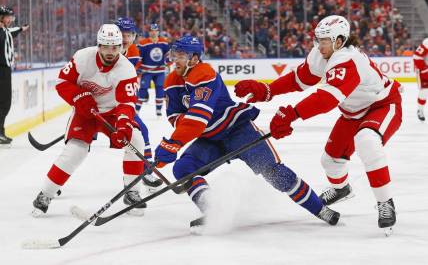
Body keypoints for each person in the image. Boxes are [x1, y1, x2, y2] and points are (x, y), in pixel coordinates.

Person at [154, 35, 340, 233]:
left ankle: (320, 209)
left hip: (238, 131)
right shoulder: (172, 81)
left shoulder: (204, 74)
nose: (175, 59)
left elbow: (198, 120)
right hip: (211, 139)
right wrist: (177, 136)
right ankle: (214, 211)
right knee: (184, 168)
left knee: (276, 174)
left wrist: (173, 143)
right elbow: (174, 116)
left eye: (181, 55)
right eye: (175, 54)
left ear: (194, 58)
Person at [234, 15, 402, 233]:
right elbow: (299, 79)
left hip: (383, 105)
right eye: (318, 39)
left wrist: (292, 114)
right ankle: (341, 189)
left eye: (324, 40)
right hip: (352, 113)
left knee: (367, 140)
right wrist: (268, 90)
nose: (318, 45)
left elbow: (327, 99)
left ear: (339, 41)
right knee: (330, 161)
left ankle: (385, 203)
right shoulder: (322, 53)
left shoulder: (348, 60)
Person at [32, 24, 148, 217]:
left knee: (135, 140)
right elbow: (62, 82)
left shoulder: (126, 69)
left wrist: (123, 125)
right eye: (106, 46)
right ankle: (45, 194)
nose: (111, 52)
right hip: (85, 113)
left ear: (121, 46)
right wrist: (79, 97)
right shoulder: (82, 57)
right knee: (75, 151)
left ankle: (131, 190)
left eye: (115, 47)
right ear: (98, 45)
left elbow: (126, 104)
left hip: (111, 113)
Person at [114, 17, 162, 190]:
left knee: (142, 131)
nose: (126, 39)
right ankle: (54, 184)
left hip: (119, 106)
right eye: (122, 34)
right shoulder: (104, 50)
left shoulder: (133, 52)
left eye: (129, 35)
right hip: (98, 105)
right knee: (78, 146)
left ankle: (146, 172)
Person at [0, 6, 29, 147]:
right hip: (1, 70)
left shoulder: (5, 30)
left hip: (5, 70)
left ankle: (0, 132)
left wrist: (22, 29)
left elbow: (12, 31)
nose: (10, 19)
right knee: (4, 103)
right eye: (8, 16)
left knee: (4, 103)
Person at [137, 23, 170, 117]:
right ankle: (136, 110)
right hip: (146, 71)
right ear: (149, 32)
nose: (153, 32)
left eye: (155, 30)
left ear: (158, 32)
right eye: (152, 31)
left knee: (160, 89)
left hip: (160, 71)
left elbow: (168, 56)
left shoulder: (164, 42)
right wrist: (138, 68)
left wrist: (168, 63)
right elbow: (139, 58)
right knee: (143, 90)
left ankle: (159, 110)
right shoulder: (143, 43)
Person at [413, 38, 428, 121]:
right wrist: (424, 69)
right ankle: (420, 110)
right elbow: (416, 56)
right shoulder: (427, 42)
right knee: (424, 92)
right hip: (424, 71)